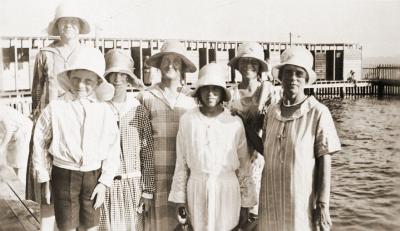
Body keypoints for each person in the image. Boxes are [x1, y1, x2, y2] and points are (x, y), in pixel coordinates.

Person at [32, 47, 120, 231]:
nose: (81, 85)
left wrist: (104, 182)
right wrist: (44, 178)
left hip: (93, 176)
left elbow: (113, 148)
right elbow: (39, 141)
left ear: (97, 82)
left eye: (88, 80)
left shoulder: (105, 110)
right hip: (64, 174)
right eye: (76, 79)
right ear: (69, 77)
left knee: (91, 226)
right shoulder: (56, 107)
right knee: (67, 226)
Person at [257, 46, 341, 231]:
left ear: (305, 79)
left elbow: (325, 160)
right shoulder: (272, 111)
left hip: (300, 203)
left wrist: (323, 204)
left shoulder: (318, 112)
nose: (293, 79)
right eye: (288, 73)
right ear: (281, 77)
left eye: (298, 73)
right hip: (270, 198)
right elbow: (265, 149)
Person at [27, 2, 92, 230]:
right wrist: (39, 120)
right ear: (57, 26)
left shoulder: (87, 53)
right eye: (64, 22)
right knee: (47, 189)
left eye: (73, 22)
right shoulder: (45, 54)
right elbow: (37, 91)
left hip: (77, 130)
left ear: (79, 27)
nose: (68, 26)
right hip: (49, 128)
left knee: (76, 188)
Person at [168, 63, 257, 231]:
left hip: (227, 189)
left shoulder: (233, 122)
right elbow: (181, 162)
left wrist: (246, 203)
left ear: (222, 93)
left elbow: (244, 165)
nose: (210, 94)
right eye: (205, 88)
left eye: (215, 89)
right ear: (199, 92)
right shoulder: (188, 120)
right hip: (197, 189)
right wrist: (180, 199)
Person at [136, 40, 197, 231]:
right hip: (156, 177)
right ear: (159, 65)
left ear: (183, 67)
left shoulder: (192, 100)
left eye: (176, 61)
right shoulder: (145, 97)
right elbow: (138, 141)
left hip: (185, 177)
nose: (170, 65)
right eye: (166, 60)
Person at [99, 49, 154, 231]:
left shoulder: (137, 109)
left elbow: (146, 153)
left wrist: (147, 190)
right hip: (105, 185)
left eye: (123, 75)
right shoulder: (99, 109)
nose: (117, 80)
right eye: (112, 74)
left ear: (129, 78)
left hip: (133, 185)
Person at [227, 42, 275, 229]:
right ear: (238, 66)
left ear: (259, 67)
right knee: (236, 214)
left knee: (257, 217)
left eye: (253, 62)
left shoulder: (268, 92)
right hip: (235, 160)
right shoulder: (230, 94)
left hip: (260, 160)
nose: (248, 66)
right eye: (244, 62)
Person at [0, 105, 32, 184]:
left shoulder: (1, 110)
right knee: (12, 162)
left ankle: (22, 190)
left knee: (20, 164)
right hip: (14, 134)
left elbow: (9, 131)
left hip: (23, 131)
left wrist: (2, 147)